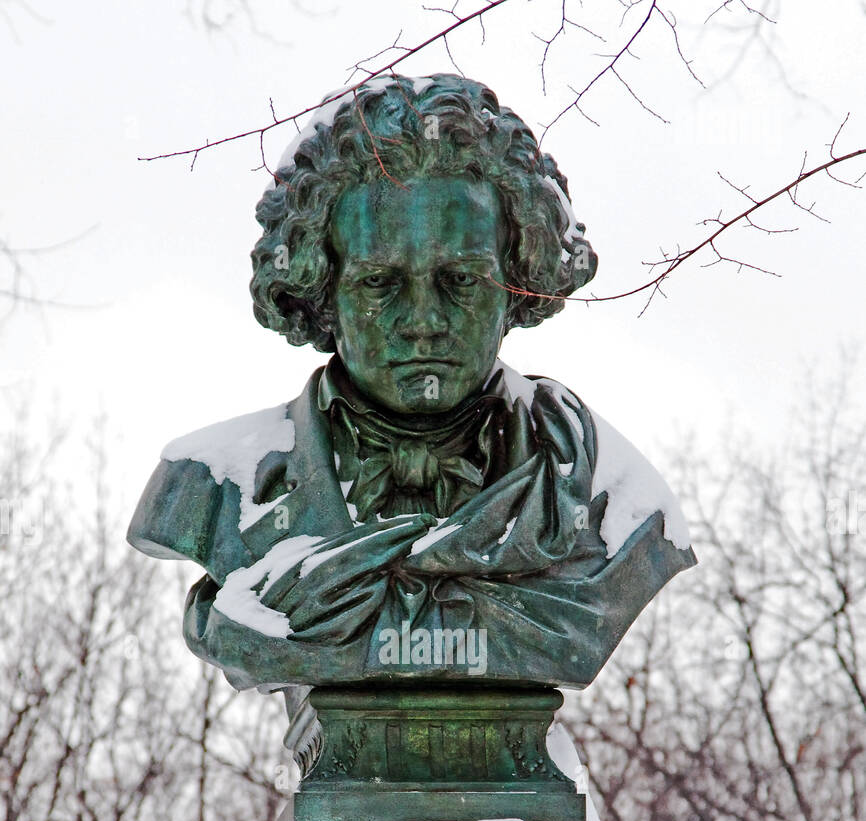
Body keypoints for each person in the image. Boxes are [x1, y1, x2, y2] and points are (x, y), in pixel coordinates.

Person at [129, 74, 695, 691]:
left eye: (462, 279)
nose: (423, 322)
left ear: (517, 284)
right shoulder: (206, 487)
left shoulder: (607, 492)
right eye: (378, 282)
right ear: (321, 293)